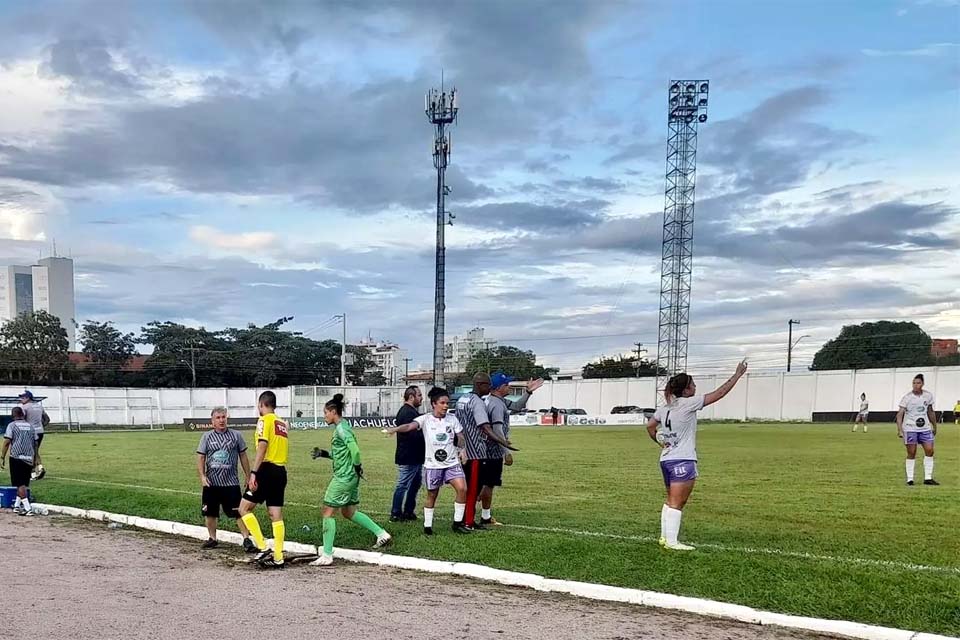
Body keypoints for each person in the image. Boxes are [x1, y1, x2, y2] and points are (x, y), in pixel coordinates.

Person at [646, 360, 748, 551]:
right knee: (678, 502)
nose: (695, 387)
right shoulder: (688, 403)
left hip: (666, 459)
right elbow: (720, 393)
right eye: (692, 384)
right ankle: (672, 542)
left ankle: (664, 537)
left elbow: (650, 426)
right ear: (685, 390)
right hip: (683, 459)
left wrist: (660, 441)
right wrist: (737, 375)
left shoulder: (665, 408)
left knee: (670, 500)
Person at [310, 393, 392, 567]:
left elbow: (354, 451)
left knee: (327, 511)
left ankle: (327, 554)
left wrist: (356, 466)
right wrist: (325, 454)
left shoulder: (341, 429)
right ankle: (382, 534)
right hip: (350, 477)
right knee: (348, 512)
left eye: (326, 412)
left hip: (344, 478)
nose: (324, 416)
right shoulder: (343, 426)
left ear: (333, 412)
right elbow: (343, 454)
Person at [387, 387, 471, 534]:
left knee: (463, 489)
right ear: (434, 404)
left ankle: (457, 524)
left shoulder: (452, 419)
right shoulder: (425, 419)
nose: (446, 406)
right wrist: (395, 429)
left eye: (447, 403)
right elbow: (409, 426)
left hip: (452, 463)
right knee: (432, 494)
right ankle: (427, 526)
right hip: (433, 465)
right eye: (442, 403)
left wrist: (462, 450)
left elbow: (461, 437)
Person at [483, 372, 543, 526]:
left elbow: (517, 406)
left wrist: (528, 392)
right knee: (489, 483)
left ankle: (473, 510)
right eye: (507, 385)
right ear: (499, 387)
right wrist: (506, 452)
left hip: (488, 449)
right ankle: (485, 517)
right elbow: (497, 429)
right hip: (492, 451)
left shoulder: (497, 400)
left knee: (484, 484)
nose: (509, 387)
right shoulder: (496, 404)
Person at [456, 373, 516, 530]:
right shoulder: (477, 403)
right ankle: (467, 522)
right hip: (476, 451)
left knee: (468, 486)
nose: (490, 388)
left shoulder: (463, 399)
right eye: (488, 385)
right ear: (480, 385)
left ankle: (464, 519)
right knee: (473, 488)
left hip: (464, 449)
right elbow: (485, 426)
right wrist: (503, 443)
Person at [238, 390, 289, 569]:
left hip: (266, 469)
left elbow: (262, 447)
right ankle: (278, 556)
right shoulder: (282, 423)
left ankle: (262, 545)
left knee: (244, 508)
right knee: (275, 514)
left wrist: (253, 473)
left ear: (261, 405)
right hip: (281, 471)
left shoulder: (264, 420)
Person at [197, 407, 256, 551]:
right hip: (212, 483)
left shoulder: (236, 436)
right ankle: (212, 538)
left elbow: (243, 456)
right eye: (218, 418)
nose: (221, 420)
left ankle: (246, 539)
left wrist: (248, 476)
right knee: (210, 512)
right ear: (212, 421)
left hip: (231, 482)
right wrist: (203, 476)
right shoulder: (207, 437)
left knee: (239, 512)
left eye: (223, 417)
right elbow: (201, 457)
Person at [389, 386, 424, 522]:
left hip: (415, 456)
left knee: (415, 484)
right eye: (419, 395)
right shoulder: (407, 413)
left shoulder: (411, 412)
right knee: (403, 484)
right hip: (409, 456)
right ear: (411, 397)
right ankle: (396, 513)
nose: (421, 398)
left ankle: (409, 511)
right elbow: (411, 434)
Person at [897, 374, 938, 486]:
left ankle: (928, 478)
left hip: (925, 428)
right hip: (910, 428)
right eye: (914, 383)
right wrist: (900, 430)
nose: (915, 385)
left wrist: (934, 425)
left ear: (922, 384)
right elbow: (900, 414)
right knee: (912, 452)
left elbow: (930, 411)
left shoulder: (928, 396)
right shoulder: (907, 397)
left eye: (918, 383)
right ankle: (910, 479)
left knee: (930, 450)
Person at [1, 407, 36, 515]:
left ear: (13, 415)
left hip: (16, 457)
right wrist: (36, 459)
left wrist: (2, 456)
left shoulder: (12, 425)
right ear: (23, 414)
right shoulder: (31, 426)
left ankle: (27, 508)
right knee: (24, 483)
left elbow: (7, 442)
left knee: (19, 484)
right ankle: (16, 506)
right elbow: (35, 443)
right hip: (29, 457)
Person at [19, 391, 49, 480]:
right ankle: (37, 470)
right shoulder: (40, 406)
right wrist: (40, 426)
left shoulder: (24, 407)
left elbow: (21, 420)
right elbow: (47, 419)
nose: (21, 399)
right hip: (40, 432)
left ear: (28, 398)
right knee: (34, 451)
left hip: (29, 432)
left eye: (23, 397)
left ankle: (35, 470)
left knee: (29, 453)